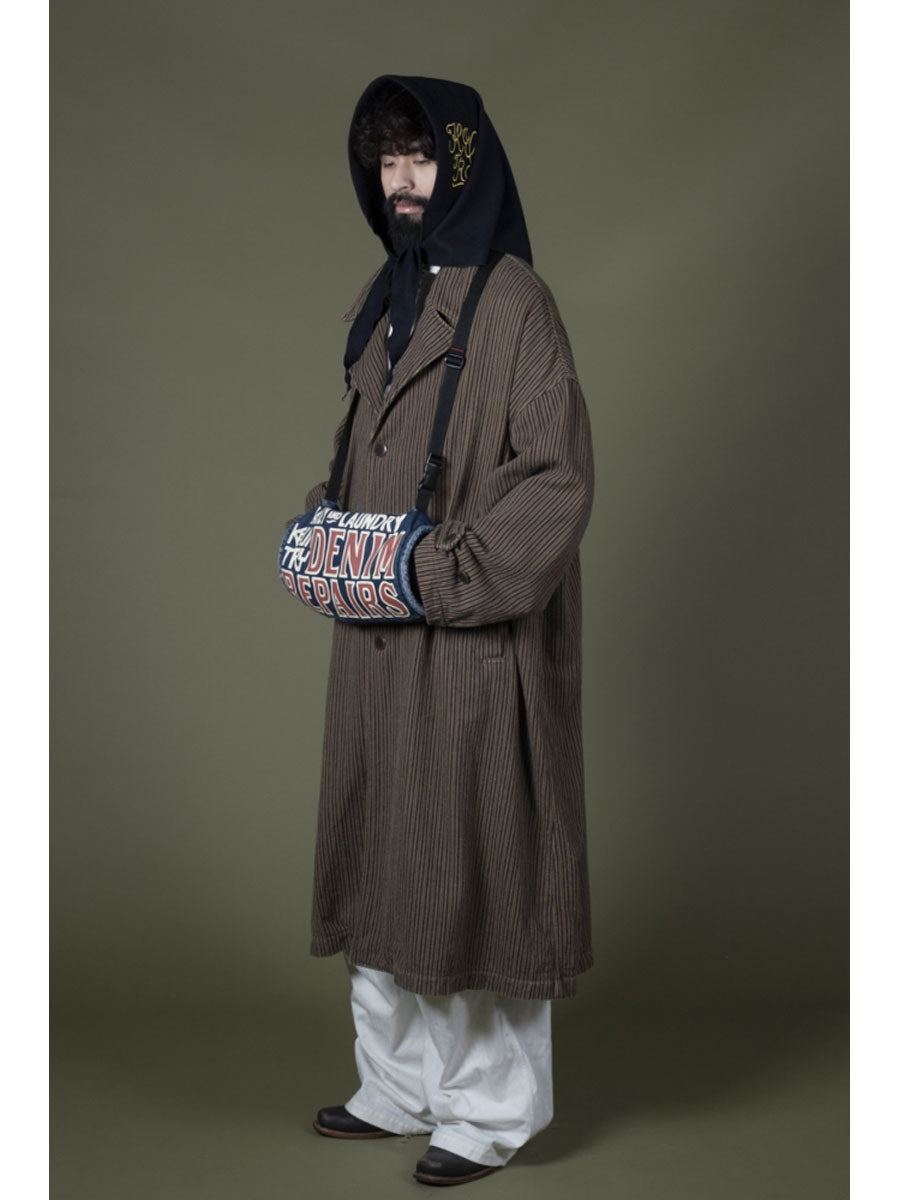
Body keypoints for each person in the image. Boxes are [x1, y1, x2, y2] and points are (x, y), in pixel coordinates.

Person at [296, 75, 594, 1186]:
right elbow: (366, 461)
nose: (402, 181)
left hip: (471, 643)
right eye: (387, 161)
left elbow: (556, 484)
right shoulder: (387, 297)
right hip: (378, 642)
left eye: (421, 158)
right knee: (384, 857)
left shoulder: (517, 306)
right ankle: (396, 1087)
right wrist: (325, 534)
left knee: (474, 870)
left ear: (463, 166)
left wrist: (432, 574)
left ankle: (488, 1115)